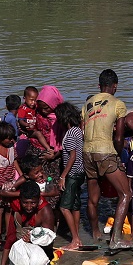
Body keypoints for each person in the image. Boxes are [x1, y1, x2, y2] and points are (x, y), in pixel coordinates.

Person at [83, 69, 133, 250]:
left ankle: (95, 233)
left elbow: (84, 130)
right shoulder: (118, 104)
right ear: (115, 86)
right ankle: (116, 239)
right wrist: (118, 157)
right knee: (126, 194)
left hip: (86, 152)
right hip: (105, 151)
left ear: (99, 86)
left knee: (92, 197)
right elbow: (119, 138)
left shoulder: (88, 102)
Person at [0, 181, 55, 265]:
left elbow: (49, 243)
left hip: (41, 249)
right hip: (21, 244)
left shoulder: (46, 212)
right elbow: (10, 239)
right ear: (20, 200)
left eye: (33, 203)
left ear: (39, 200)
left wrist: (34, 240)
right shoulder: (16, 207)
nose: (29, 207)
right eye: (25, 203)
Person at [53, 102, 88, 249]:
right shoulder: (78, 130)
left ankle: (74, 240)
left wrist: (63, 176)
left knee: (64, 207)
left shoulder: (71, 133)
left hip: (73, 173)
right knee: (75, 205)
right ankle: (77, 238)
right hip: (80, 172)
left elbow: (72, 156)